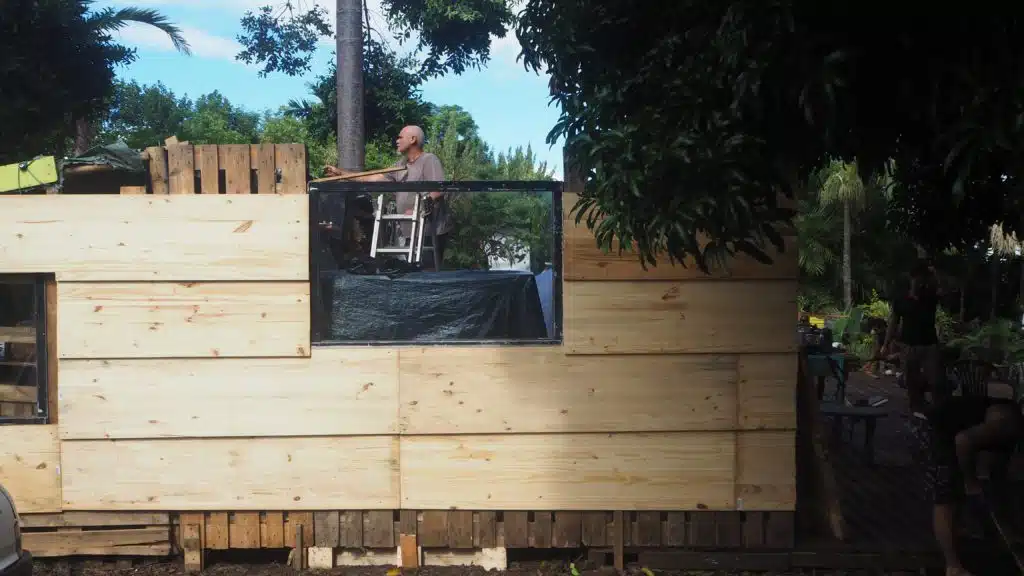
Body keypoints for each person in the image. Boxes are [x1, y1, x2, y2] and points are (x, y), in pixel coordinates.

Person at [324, 125, 451, 271]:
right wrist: (342, 174)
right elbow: (375, 178)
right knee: (411, 275)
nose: (397, 141)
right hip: (410, 230)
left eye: (400, 137)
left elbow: (438, 190)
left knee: (426, 276)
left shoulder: (429, 160)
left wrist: (419, 208)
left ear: (413, 139)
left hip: (430, 231)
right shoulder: (400, 165)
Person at [922, 395, 1024, 576]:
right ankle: (953, 566)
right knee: (946, 499)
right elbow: (964, 440)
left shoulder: (1008, 425)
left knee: (959, 492)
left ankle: (959, 532)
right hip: (938, 433)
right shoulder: (1009, 421)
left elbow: (998, 459)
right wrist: (971, 481)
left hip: (953, 430)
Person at [881, 260, 943, 415]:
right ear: (911, 278)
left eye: (921, 278)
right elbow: (893, 323)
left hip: (929, 345)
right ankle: (916, 410)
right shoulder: (901, 300)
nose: (918, 281)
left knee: (935, 381)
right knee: (911, 382)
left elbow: (940, 287)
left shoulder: (930, 296)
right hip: (909, 345)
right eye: (916, 278)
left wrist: (932, 272)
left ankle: (940, 411)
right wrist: (885, 344)